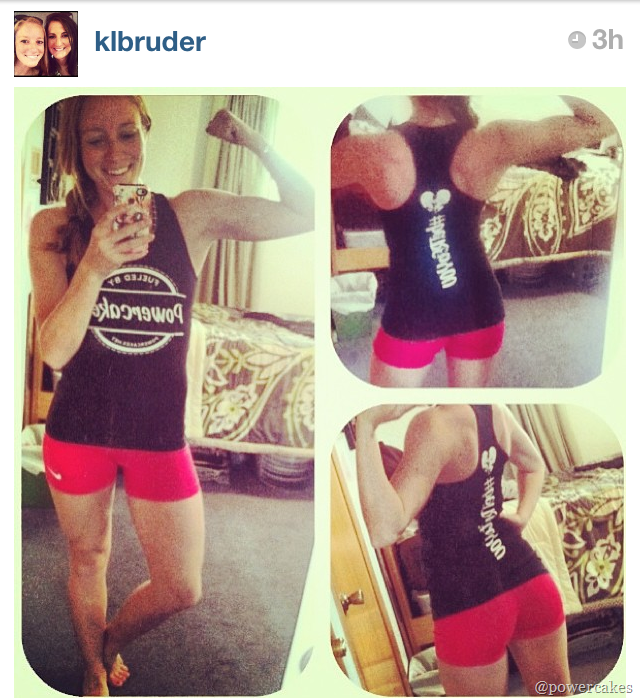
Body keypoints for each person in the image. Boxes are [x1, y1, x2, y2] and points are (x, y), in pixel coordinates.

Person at [28, 95, 313, 697]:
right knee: (88, 556)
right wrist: (95, 265)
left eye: (127, 133)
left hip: (158, 433)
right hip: (78, 430)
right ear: (75, 149)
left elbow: (306, 211)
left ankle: (106, 643)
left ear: (145, 133)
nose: (115, 153)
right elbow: (53, 351)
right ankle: (92, 671)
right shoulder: (52, 228)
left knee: (183, 586)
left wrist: (254, 141)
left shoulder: (192, 214)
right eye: (95, 138)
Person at [332, 96, 616, 387]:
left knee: (388, 406)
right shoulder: (494, 141)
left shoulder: (376, 150)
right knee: (467, 405)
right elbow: (599, 123)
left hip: (413, 312)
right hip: (476, 307)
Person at [355, 404, 571, 696]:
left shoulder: (432, 425)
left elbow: (383, 529)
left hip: (468, 604)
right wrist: (521, 515)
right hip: (529, 581)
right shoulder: (496, 411)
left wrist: (366, 425)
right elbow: (533, 465)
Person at [45, 12, 78, 76]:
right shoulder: (43, 71)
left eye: (65, 35)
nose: (58, 43)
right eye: (52, 36)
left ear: (74, 37)